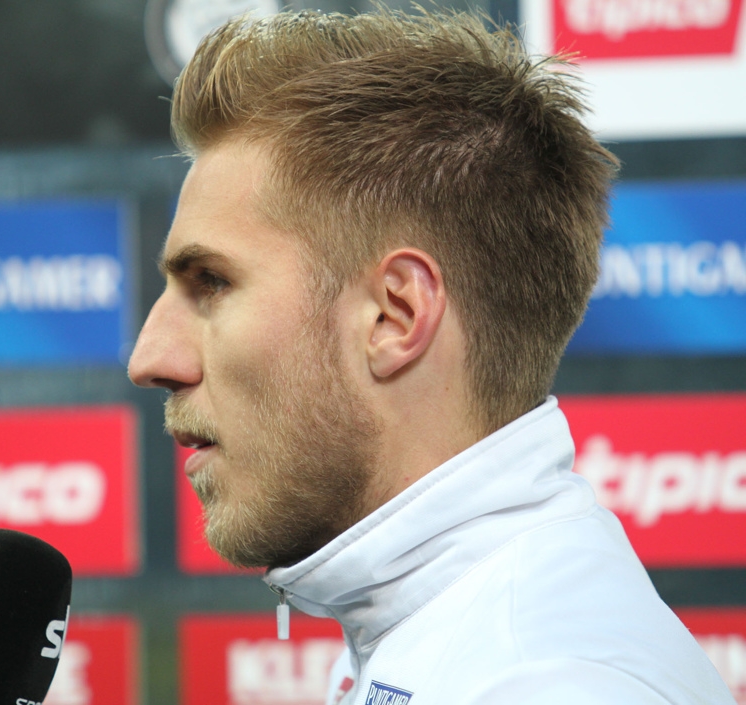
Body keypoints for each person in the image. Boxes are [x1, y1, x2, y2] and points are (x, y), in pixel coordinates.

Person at [127, 8, 735, 704]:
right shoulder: (431, 628)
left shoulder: (545, 683)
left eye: (211, 282)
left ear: (396, 316)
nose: (151, 356)